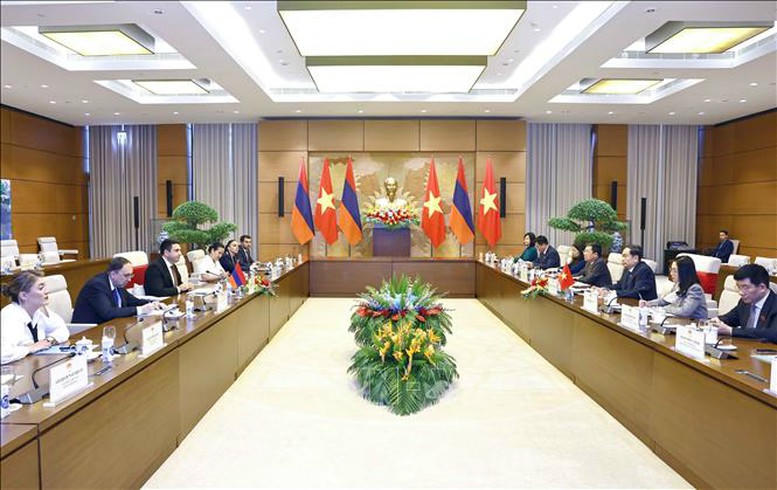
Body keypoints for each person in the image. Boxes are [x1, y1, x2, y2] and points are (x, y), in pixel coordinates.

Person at [1, 271, 70, 364]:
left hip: (34, 364)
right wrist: (30, 348)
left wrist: (49, 340)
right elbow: (3, 354)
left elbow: (63, 330)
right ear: (23, 295)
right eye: (41, 288)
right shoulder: (10, 315)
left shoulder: (38, 310)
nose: (47, 291)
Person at [72, 257, 164, 324]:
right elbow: (108, 313)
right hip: (89, 332)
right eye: (126, 275)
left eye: (131, 275)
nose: (129, 279)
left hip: (112, 326)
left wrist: (153, 304)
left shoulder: (118, 284)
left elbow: (132, 301)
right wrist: (140, 309)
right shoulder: (97, 286)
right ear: (113, 274)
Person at [714, 264, 777, 343]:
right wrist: (716, 321)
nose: (740, 292)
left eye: (745, 287)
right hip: (745, 347)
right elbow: (730, 318)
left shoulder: (774, 305)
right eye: (738, 287)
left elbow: (772, 334)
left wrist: (731, 331)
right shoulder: (745, 302)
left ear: (762, 288)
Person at [641, 256, 707, 320]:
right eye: (671, 270)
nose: (671, 273)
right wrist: (648, 303)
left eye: (674, 271)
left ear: (684, 272)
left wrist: (663, 309)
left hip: (694, 324)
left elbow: (684, 311)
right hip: (681, 321)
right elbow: (665, 301)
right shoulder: (680, 285)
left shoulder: (695, 289)